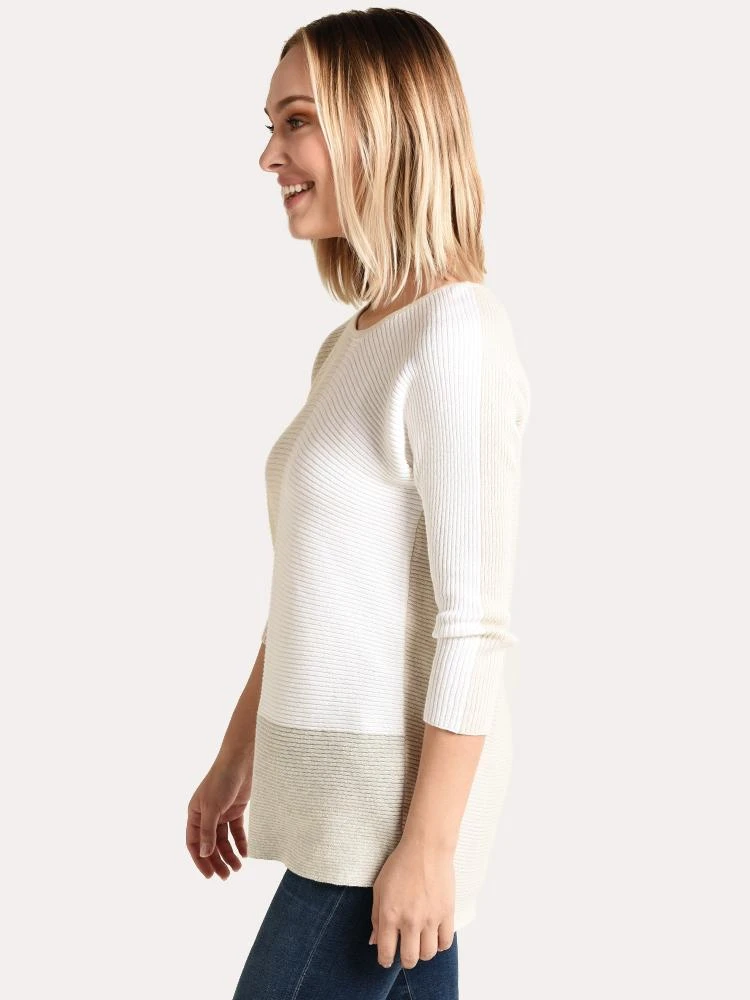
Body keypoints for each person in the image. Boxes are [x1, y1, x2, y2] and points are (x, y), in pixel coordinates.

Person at [186, 9, 531, 998]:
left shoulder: (456, 334)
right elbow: (315, 587)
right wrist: (237, 754)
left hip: (383, 818)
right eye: (271, 125)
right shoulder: (353, 345)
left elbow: (474, 623)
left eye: (297, 122)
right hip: (337, 800)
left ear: (382, 127)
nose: (270, 156)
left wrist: (430, 845)